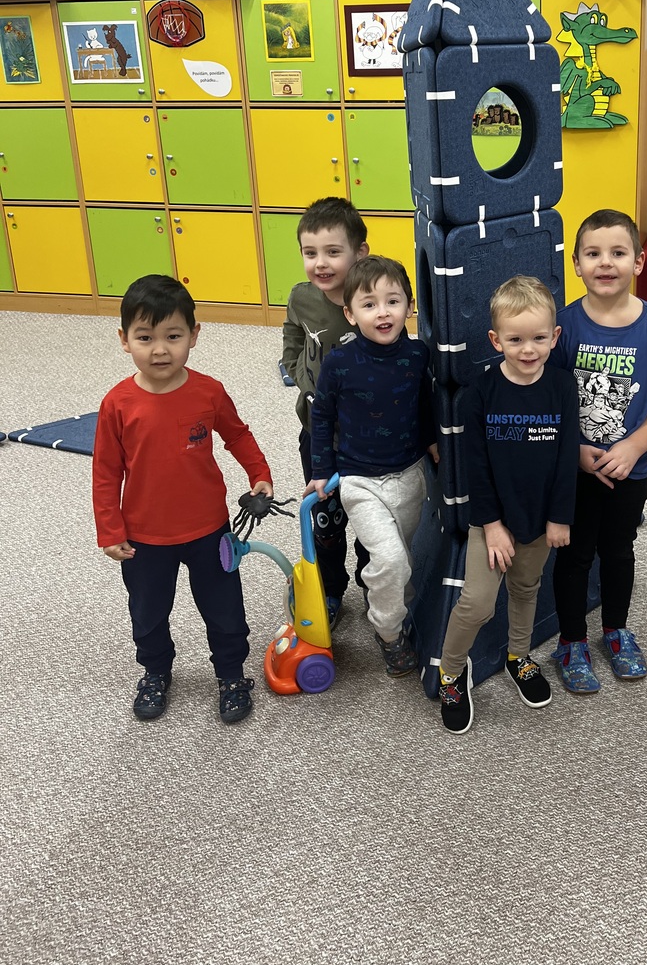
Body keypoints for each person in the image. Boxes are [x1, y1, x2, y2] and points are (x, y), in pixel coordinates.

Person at [93, 275, 273, 725]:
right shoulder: (117, 404)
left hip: (209, 529)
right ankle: (155, 672)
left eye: (173, 336)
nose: (160, 350)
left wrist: (260, 474)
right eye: (145, 338)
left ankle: (231, 675)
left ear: (194, 335)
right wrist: (110, 530)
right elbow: (106, 472)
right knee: (148, 613)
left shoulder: (208, 391)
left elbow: (237, 435)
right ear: (124, 340)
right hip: (143, 538)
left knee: (225, 610)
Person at [549, 209, 647, 694]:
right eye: (593, 253)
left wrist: (634, 445)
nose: (605, 262)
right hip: (574, 470)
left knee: (618, 550)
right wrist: (574, 450)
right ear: (576, 264)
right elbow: (544, 398)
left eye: (617, 253)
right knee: (573, 555)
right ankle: (571, 641)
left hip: (630, 469)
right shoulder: (562, 327)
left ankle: (615, 629)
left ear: (638, 262)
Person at [436, 276, 580, 735]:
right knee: (477, 603)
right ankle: (451, 673)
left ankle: (519, 656)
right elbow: (475, 467)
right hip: (492, 522)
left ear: (554, 336)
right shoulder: (481, 393)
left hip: (541, 519)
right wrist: (492, 525)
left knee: (526, 589)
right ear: (496, 340)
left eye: (539, 338)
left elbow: (566, 459)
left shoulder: (563, 387)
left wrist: (559, 517)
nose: (528, 349)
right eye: (515, 340)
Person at [306, 256, 438, 676]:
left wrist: (432, 441)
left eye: (392, 301)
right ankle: (388, 631)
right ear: (350, 314)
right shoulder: (339, 363)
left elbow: (425, 404)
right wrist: (320, 469)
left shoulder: (418, 355)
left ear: (409, 307)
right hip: (359, 481)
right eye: (369, 304)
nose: (383, 312)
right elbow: (321, 417)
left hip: (411, 474)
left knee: (403, 559)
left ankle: (391, 602)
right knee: (392, 560)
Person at [282, 196, 371, 628]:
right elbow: (293, 333)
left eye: (333, 251)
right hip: (317, 434)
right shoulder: (302, 298)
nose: (320, 263)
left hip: (368, 439)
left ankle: (374, 588)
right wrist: (296, 369)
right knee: (326, 521)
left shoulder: (372, 301)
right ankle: (331, 590)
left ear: (360, 253)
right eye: (310, 252)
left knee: (371, 521)